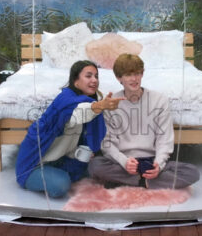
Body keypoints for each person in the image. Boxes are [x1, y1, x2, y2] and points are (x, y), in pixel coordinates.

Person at [15, 60, 125, 198]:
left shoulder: (85, 101)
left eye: (96, 76)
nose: (94, 80)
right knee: (61, 184)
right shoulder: (65, 100)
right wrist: (99, 106)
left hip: (61, 159)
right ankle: (45, 177)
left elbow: (80, 133)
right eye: (88, 76)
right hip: (33, 165)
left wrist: (83, 151)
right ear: (75, 81)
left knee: (97, 168)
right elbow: (77, 114)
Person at [88, 54, 200, 189]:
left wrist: (158, 165)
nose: (134, 79)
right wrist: (124, 162)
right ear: (119, 78)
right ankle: (146, 182)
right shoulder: (111, 104)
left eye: (137, 74)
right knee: (95, 166)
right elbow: (108, 144)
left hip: (152, 160)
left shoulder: (159, 100)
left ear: (142, 74)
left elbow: (164, 139)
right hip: (124, 162)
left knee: (192, 173)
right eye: (128, 74)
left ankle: (134, 181)